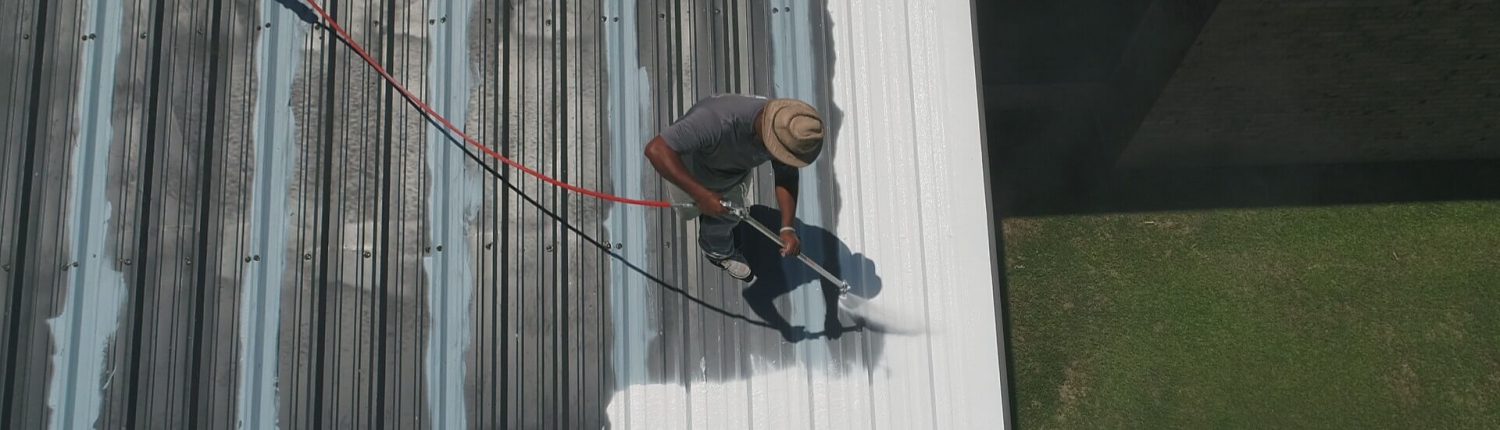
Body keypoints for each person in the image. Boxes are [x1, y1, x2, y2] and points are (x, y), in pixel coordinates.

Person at [644, 94, 825, 281]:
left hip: (734, 175)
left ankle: (716, 251)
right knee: (690, 210)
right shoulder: (715, 119)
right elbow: (657, 149)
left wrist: (788, 227)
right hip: (690, 172)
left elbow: (786, 174)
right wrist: (702, 195)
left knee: (730, 214)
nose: (783, 159)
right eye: (782, 154)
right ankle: (704, 211)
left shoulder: (787, 128)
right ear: (769, 137)